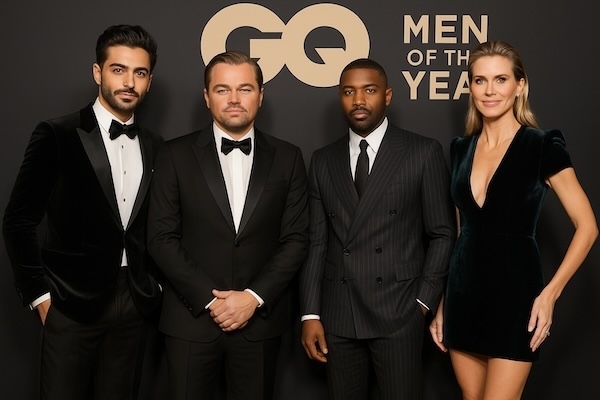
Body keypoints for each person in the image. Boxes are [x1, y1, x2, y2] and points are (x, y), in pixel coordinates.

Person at [429, 40, 599, 399]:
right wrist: (444, 302)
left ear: (520, 85)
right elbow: (462, 232)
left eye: (501, 79)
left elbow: (587, 227)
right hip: (462, 298)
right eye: (480, 80)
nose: (489, 90)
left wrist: (549, 295)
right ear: (470, 87)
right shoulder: (460, 149)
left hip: (516, 299)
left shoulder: (542, 146)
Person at [2, 25, 163, 399]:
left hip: (134, 302)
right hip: (69, 303)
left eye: (139, 73)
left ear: (149, 82)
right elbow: (18, 220)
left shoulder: (156, 145)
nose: (129, 82)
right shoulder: (56, 134)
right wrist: (40, 296)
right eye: (118, 69)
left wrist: (153, 285)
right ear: (97, 72)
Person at [147, 50, 308, 400]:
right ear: (207, 97)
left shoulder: (289, 157)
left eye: (244, 89)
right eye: (223, 89)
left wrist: (253, 298)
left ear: (261, 95)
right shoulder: (173, 154)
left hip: (259, 323)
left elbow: (296, 239)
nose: (234, 99)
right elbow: (161, 238)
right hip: (189, 322)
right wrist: (211, 301)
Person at [299, 58, 456, 400]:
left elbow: (442, 233)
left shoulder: (421, 151)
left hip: (399, 310)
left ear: (387, 95)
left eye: (369, 90)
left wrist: (422, 303)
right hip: (339, 314)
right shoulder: (323, 160)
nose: (358, 100)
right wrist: (310, 313)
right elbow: (316, 243)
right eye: (348, 92)